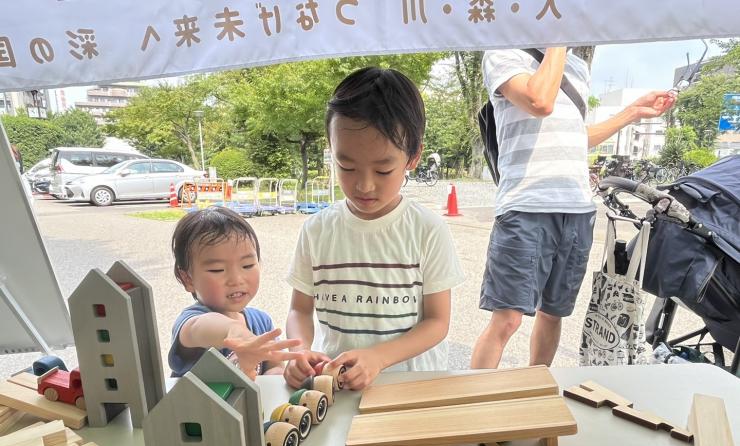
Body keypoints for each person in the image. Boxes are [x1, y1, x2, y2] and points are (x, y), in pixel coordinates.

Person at [471, 47, 675, 369]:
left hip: (578, 208)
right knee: (507, 320)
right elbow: (539, 101)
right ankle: (474, 409)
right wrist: (557, 41)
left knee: (553, 314)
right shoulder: (504, 53)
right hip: (527, 204)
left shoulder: (576, 66)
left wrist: (632, 112)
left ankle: (534, 394)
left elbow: (578, 137)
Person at [284, 67, 465, 390]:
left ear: (413, 156)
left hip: (411, 389)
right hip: (337, 387)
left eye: (383, 170)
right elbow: (300, 309)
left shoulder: (426, 229)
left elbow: (437, 322)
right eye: (347, 167)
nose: (364, 185)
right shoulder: (316, 230)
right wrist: (299, 351)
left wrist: (379, 357)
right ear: (331, 149)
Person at [169, 206, 301, 378]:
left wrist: (280, 374)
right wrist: (235, 332)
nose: (236, 279)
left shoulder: (261, 322)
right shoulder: (190, 323)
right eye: (217, 270)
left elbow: (274, 366)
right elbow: (202, 327)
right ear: (187, 278)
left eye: (247, 265)